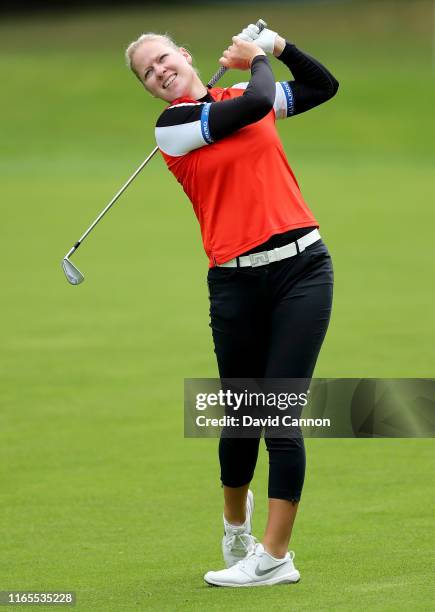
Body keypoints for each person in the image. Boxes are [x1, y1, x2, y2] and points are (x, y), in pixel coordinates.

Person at [125, 23, 338, 587]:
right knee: (242, 417)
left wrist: (278, 48)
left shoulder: (240, 99)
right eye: (149, 71)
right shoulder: (172, 128)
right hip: (236, 285)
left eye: (163, 57)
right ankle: (235, 528)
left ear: (184, 54)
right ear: (149, 88)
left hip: (303, 268)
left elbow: (324, 86)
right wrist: (253, 61)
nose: (160, 70)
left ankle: (273, 558)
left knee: (279, 417)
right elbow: (259, 102)